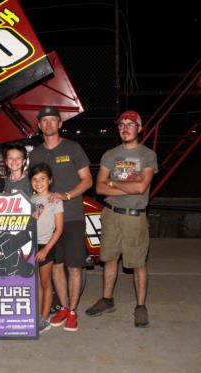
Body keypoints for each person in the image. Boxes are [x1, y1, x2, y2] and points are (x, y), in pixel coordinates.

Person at [85, 110, 158, 328]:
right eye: (121, 125)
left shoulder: (147, 155)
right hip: (110, 214)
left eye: (130, 124)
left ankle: (140, 306)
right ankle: (107, 300)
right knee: (109, 258)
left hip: (134, 217)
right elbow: (99, 187)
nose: (125, 128)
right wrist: (126, 187)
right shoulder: (110, 155)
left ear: (139, 128)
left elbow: (141, 186)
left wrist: (114, 184)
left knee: (138, 263)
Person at [29, 105, 93, 332]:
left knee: (74, 266)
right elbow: (32, 186)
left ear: (60, 123)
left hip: (72, 215)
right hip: (46, 223)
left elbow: (87, 180)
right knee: (55, 267)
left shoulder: (73, 148)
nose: (48, 124)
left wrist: (66, 195)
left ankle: (73, 311)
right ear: (39, 125)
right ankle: (64, 307)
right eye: (43, 121)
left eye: (52, 120)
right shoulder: (35, 153)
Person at [29, 163, 64, 334]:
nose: (38, 182)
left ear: (50, 180)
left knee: (45, 283)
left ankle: (44, 319)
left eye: (42, 179)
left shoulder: (55, 200)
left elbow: (59, 229)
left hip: (46, 246)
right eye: (34, 179)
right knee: (35, 284)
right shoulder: (31, 200)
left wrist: (45, 250)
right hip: (32, 246)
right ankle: (37, 316)